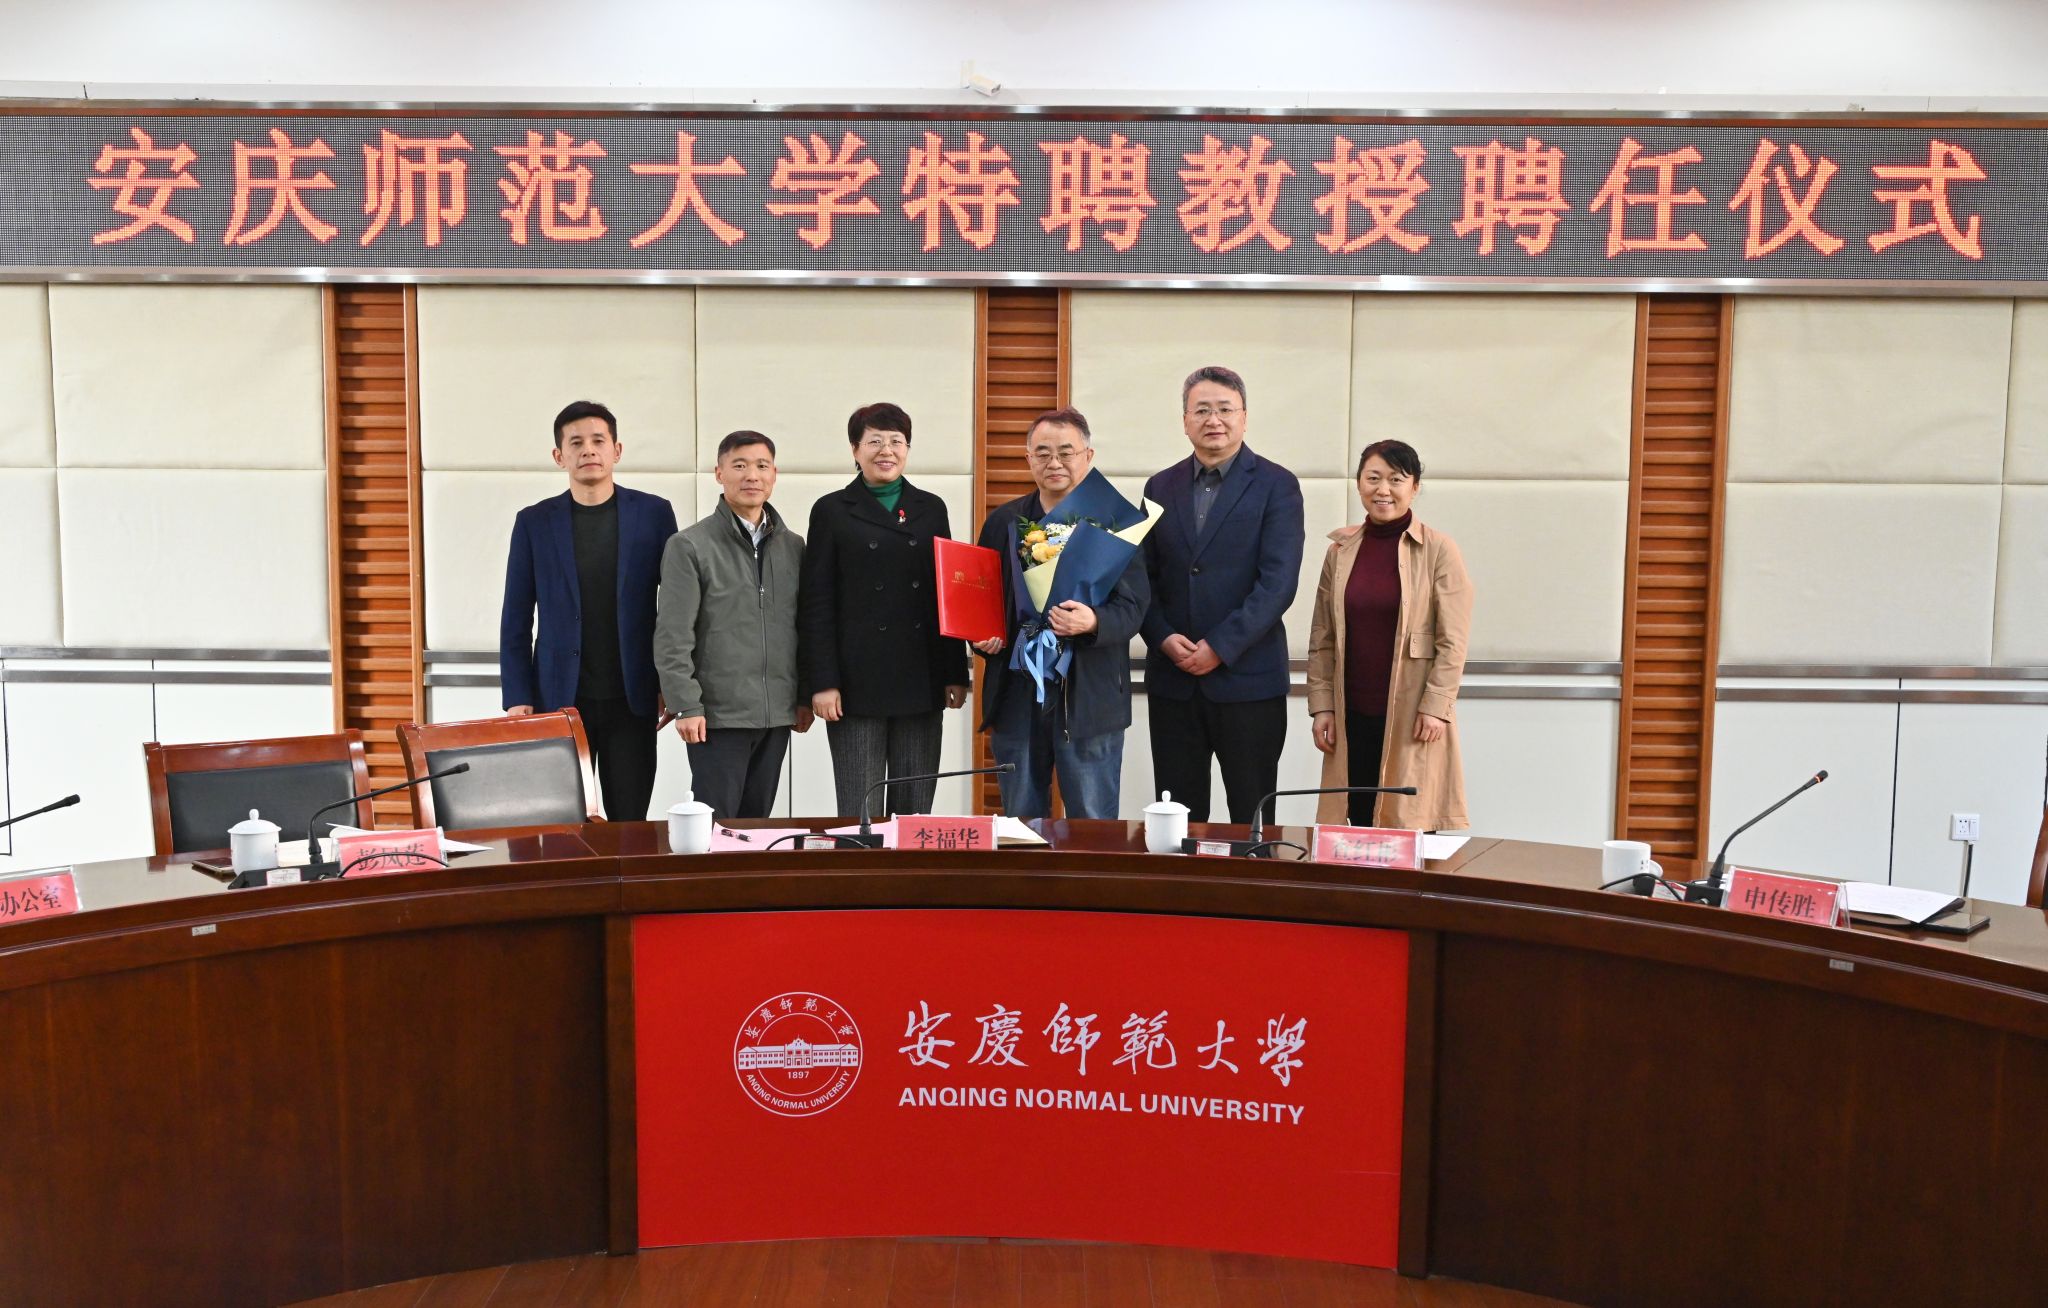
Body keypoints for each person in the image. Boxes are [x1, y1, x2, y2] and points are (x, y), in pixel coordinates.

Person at [499, 399, 679, 822]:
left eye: (598, 440)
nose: (588, 450)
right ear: (559, 456)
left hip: (633, 697)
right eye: (576, 443)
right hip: (560, 697)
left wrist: (672, 684)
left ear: (617, 450)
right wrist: (518, 696)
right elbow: (516, 616)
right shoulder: (534, 522)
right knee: (563, 823)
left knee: (629, 821)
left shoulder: (654, 513)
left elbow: (676, 608)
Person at [1141, 365, 1305, 825]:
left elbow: (1278, 584)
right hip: (1174, 681)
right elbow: (1141, 577)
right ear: (1185, 420)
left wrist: (1219, 646)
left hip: (1248, 681)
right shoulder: (1159, 486)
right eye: (1201, 410)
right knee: (1178, 820)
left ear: (1244, 417)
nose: (1213, 420)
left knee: (1251, 821)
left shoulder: (1277, 485)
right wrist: (1162, 637)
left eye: (1225, 409)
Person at [972, 407, 1149, 819]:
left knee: (1093, 823)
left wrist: (1093, 621)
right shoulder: (1003, 522)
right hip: (1017, 696)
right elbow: (985, 599)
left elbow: (1134, 607)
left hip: (1090, 698)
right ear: (1028, 458)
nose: (1055, 463)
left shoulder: (1117, 522)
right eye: (1043, 453)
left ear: (1088, 456)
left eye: (1066, 452)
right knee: (1020, 822)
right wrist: (980, 637)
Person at [799, 402, 971, 818]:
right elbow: (816, 601)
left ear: (907, 448)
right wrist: (822, 681)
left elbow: (943, 595)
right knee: (860, 808)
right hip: (854, 682)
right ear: (855, 450)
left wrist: (954, 671)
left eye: (896, 441)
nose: (886, 450)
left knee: (914, 810)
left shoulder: (931, 507)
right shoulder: (832, 509)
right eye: (874, 441)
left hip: (921, 677)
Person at [1306, 439, 1471, 830]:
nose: (1383, 489)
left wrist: (1437, 705)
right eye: (1373, 478)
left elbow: (1453, 640)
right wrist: (1322, 706)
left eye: (1396, 479)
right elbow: (1322, 637)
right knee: (1357, 824)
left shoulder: (1438, 549)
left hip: (1413, 714)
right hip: (1351, 714)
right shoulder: (1340, 550)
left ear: (1414, 487)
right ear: (1359, 484)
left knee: (1409, 824)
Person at [653, 430, 811, 819]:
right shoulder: (689, 545)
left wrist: (803, 697)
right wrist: (685, 704)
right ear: (719, 473)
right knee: (716, 827)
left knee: (757, 826)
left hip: (777, 714)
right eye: (739, 465)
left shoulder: (794, 547)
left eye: (761, 466)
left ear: (774, 474)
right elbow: (673, 635)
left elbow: (805, 628)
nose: (751, 475)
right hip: (716, 716)